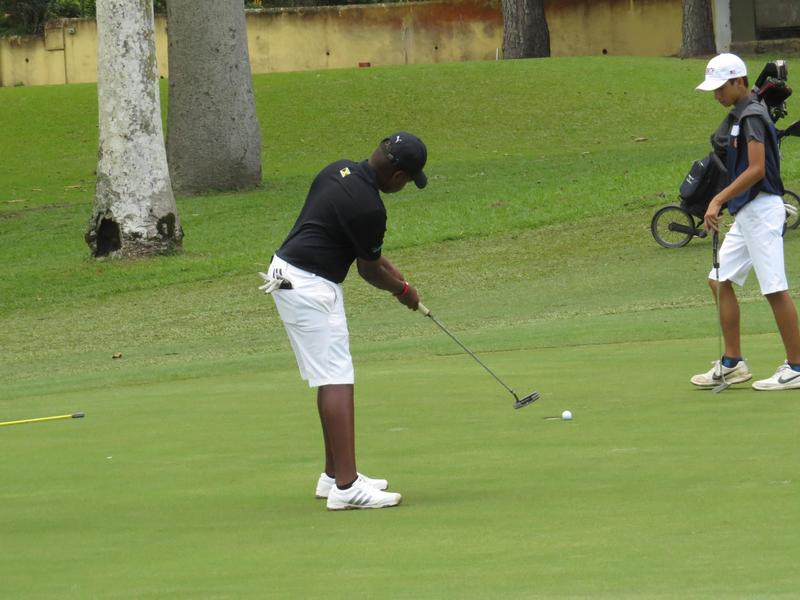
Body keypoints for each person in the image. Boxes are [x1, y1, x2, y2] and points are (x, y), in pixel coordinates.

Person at [259, 132, 427, 510]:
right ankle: (347, 487)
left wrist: (398, 279)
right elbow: (369, 271)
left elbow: (368, 253)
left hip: (290, 272)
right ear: (399, 176)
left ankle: (333, 475)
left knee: (329, 375)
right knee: (337, 378)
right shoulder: (370, 208)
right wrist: (402, 292)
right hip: (310, 286)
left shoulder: (338, 170)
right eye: (408, 181)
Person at [691, 53, 800, 391]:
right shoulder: (741, 114)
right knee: (719, 279)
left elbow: (756, 169)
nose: (717, 95)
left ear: (739, 81)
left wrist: (718, 199)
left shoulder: (751, 116)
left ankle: (797, 367)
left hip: (763, 209)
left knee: (774, 289)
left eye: (721, 87)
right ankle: (733, 362)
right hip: (747, 211)